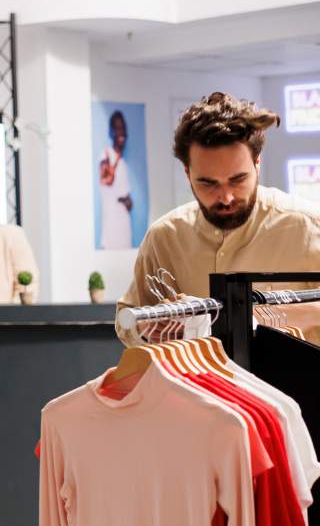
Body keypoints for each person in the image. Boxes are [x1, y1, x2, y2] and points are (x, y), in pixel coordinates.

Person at [117, 92, 320, 340]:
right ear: (187, 172)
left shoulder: (309, 227)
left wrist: (260, 317)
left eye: (238, 180)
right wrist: (145, 329)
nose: (225, 197)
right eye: (208, 183)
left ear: (257, 164)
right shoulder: (164, 237)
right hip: (195, 378)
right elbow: (129, 316)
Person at [98, 110, 134, 250]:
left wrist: (127, 201)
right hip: (111, 224)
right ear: (111, 131)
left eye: (123, 128)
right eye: (117, 128)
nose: (121, 132)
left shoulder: (123, 163)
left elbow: (129, 201)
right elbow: (107, 180)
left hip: (124, 224)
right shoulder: (105, 154)